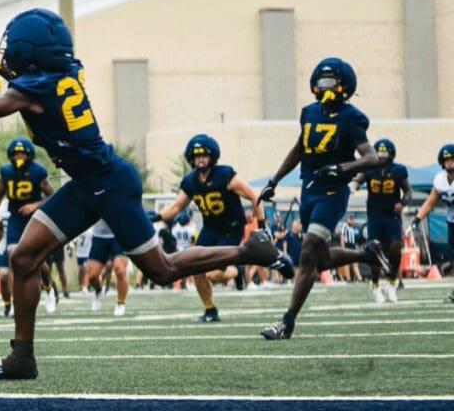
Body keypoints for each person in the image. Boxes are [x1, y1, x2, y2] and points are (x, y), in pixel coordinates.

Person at [0, 7, 286, 379]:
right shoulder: (67, 72)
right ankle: (21, 357)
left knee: (161, 270)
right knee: (24, 259)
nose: (7, 51)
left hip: (109, 185)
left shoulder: (33, 89)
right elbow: (27, 84)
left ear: (30, 51)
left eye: (13, 46)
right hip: (89, 182)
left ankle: (247, 250)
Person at [257, 57, 391, 340]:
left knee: (307, 251)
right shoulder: (308, 113)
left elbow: (371, 158)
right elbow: (298, 149)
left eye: (330, 82)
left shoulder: (351, 117)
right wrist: (274, 181)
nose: (324, 87)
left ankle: (287, 322)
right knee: (319, 260)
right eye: (321, 81)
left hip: (333, 192)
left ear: (343, 86)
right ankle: (367, 254)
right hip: (309, 189)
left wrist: (341, 168)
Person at [158, 134, 292, 322]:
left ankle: (236, 271)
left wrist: (262, 225)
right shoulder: (190, 182)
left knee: (214, 274)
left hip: (231, 228)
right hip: (210, 229)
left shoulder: (225, 175)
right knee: (194, 267)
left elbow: (254, 197)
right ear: (191, 158)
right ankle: (210, 310)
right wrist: (156, 217)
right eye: (197, 156)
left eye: (204, 155)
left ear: (212, 156)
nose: (201, 159)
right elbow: (176, 206)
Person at [0, 137, 58, 314]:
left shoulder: (38, 172)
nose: (19, 156)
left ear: (29, 155)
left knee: (39, 261)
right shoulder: (6, 172)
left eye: (22, 153)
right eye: (16, 153)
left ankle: (48, 287)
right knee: (14, 256)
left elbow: (52, 196)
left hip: (35, 218)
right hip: (15, 218)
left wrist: (34, 205)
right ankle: (16, 302)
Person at [351, 139, 410, 302]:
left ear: (391, 154)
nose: (382, 156)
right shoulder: (370, 168)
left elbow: (408, 192)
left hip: (392, 215)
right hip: (374, 215)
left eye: (385, 153)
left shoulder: (399, 170)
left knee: (395, 248)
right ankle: (375, 285)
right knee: (375, 250)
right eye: (379, 153)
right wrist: (354, 185)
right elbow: (359, 179)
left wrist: (402, 203)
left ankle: (391, 284)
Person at [409, 143, 454, 303]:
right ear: (442, 162)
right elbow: (430, 202)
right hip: (451, 222)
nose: (451, 163)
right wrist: (416, 219)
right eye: (447, 160)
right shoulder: (440, 179)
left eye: (453, 159)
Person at [85, 220, 129, 317]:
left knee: (120, 270)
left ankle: (120, 303)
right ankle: (99, 290)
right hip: (99, 236)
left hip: (120, 234)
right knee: (92, 276)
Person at [337, 214, 362, 283]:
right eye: (350, 219)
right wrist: (343, 249)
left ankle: (360, 278)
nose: (351, 220)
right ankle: (348, 279)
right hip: (347, 246)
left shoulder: (352, 228)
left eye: (352, 219)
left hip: (352, 246)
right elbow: (342, 238)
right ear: (347, 219)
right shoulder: (344, 227)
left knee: (355, 264)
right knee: (347, 263)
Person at [73, 226, 93, 292]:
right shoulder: (78, 229)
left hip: (87, 253)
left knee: (85, 270)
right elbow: (74, 242)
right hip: (79, 254)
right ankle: (81, 286)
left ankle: (85, 286)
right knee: (81, 271)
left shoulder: (91, 231)